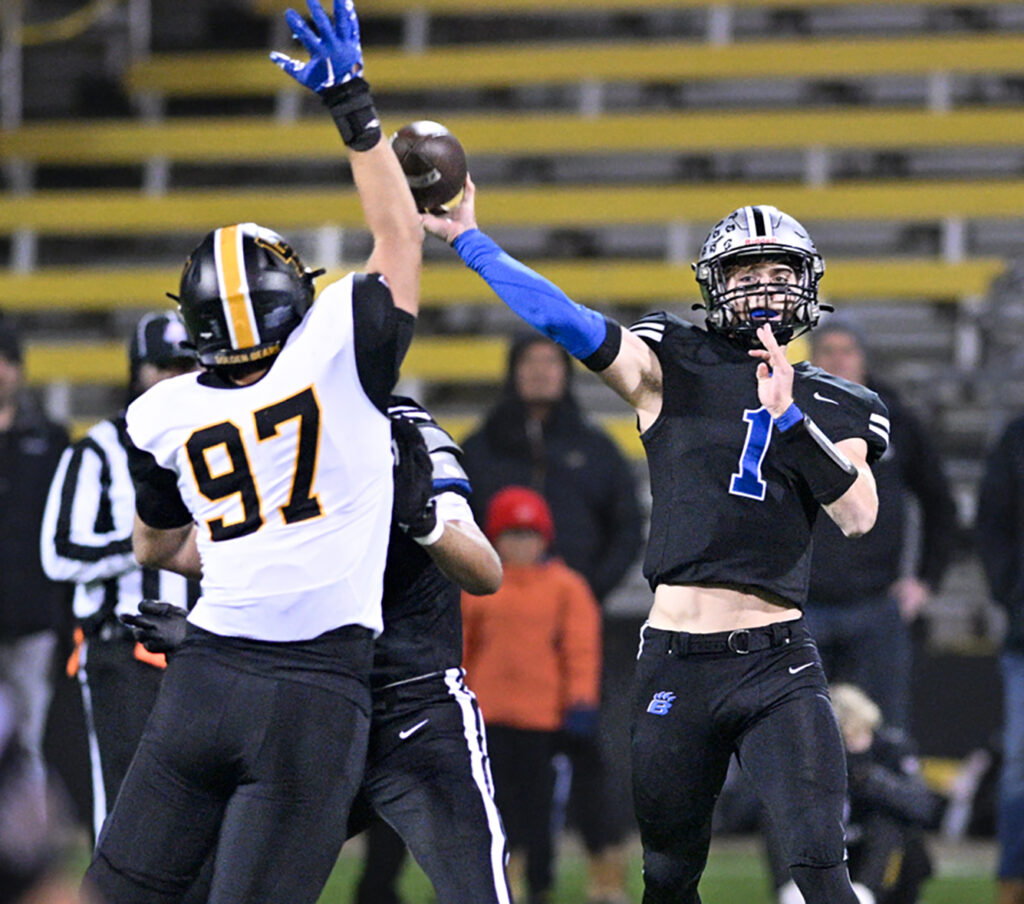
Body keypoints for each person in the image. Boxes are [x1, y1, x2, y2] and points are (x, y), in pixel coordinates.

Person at [424, 183, 890, 904]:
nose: (763, 289)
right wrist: (470, 242)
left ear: (806, 285)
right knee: (668, 878)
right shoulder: (673, 356)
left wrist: (791, 418)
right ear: (714, 284)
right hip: (677, 657)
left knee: (821, 863)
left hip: (778, 661)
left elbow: (858, 513)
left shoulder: (840, 399)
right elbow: (571, 324)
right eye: (745, 273)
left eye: (778, 273)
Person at [81, 0, 423, 900]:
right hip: (315, 691)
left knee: (118, 891)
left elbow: (155, 547)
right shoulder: (337, 348)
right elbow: (399, 234)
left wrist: (234, 560)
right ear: (290, 300)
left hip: (203, 676)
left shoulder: (162, 410)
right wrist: (353, 103)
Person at [126, 396, 513, 904]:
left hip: (412, 710)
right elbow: (165, 549)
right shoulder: (275, 437)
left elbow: (486, 572)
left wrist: (425, 523)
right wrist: (207, 635)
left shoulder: (400, 430)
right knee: (212, 883)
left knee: (478, 890)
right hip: (314, 710)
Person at [457, 331, 645, 904]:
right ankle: (505, 874)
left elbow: (629, 526)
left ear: (566, 373)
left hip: (582, 626)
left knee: (595, 759)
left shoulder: (594, 445)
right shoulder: (482, 446)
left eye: (549, 363)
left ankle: (603, 870)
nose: (540, 373)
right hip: (500, 627)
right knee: (507, 775)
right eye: (529, 363)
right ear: (512, 372)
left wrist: (587, 591)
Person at [39, 311, 199, 844]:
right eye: (162, 365)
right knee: (127, 810)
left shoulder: (220, 438)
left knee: (203, 813)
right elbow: (59, 552)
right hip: (122, 654)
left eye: (184, 364)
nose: (174, 377)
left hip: (205, 648)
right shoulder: (99, 450)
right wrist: (148, 545)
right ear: (136, 371)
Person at [803, 319, 958, 730]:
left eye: (847, 351)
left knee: (884, 733)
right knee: (795, 732)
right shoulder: (787, 417)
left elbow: (940, 504)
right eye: (828, 351)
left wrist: (925, 580)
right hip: (803, 604)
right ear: (812, 359)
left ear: (864, 360)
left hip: (875, 604)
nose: (837, 361)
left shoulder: (893, 421)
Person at [462, 485, 602, 904]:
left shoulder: (566, 587)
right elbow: (463, 649)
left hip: (544, 720)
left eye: (529, 534)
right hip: (487, 717)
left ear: (545, 536)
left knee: (540, 814)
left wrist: (580, 701)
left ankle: (539, 886)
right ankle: (489, 885)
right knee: (489, 813)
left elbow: (580, 647)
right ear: (494, 537)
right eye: (512, 534)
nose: (521, 543)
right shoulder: (478, 583)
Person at [770, 684, 941, 904]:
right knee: (776, 816)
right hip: (829, 846)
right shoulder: (808, 757)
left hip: (881, 859)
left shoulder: (890, 749)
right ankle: (793, 891)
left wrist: (872, 781)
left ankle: (865, 895)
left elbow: (924, 807)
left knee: (890, 821)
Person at [0, 320, 70, 818]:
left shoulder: (50, 439)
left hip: (33, 615)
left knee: (30, 733)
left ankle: (29, 838)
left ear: (18, 369)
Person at [976, 415, 1024, 904]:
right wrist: (1012, 592)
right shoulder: (1016, 437)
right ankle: (1014, 881)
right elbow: (991, 521)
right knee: (1020, 765)